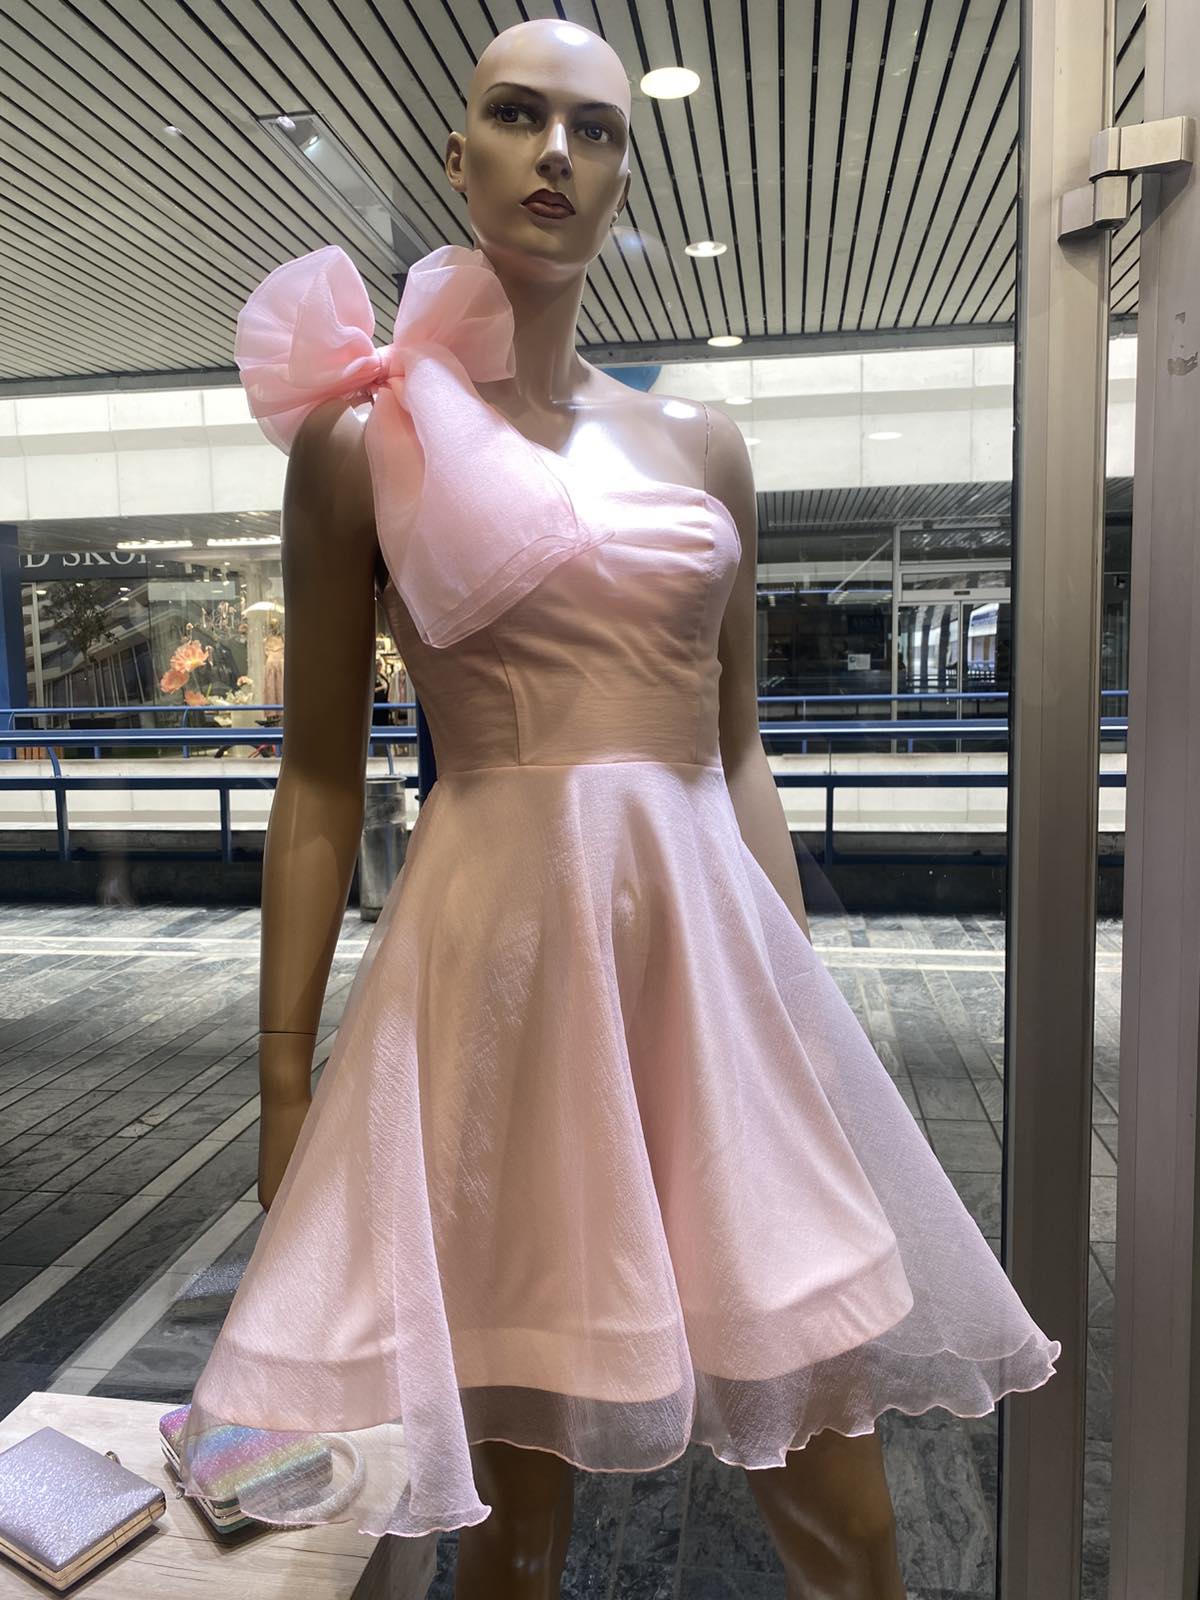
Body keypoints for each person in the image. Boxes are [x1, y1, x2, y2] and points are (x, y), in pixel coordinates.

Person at [175, 19, 1059, 1598]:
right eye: (519, 118)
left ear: (625, 178)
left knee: (846, 1507)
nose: (557, 154)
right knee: (513, 1529)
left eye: (594, 129)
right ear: (460, 160)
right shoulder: (364, 444)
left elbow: (737, 752)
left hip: (708, 974)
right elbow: (317, 772)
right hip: (502, 984)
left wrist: (792, 1002)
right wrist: (285, 1077)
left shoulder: (704, 445)